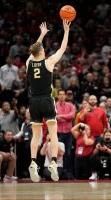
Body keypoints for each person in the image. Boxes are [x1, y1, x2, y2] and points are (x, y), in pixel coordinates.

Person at [26, 20, 71, 182]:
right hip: (46, 100)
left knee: (35, 136)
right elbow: (62, 49)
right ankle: (53, 163)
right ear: (42, 51)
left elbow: (34, 50)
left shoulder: (28, 63)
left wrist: (42, 35)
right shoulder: (48, 62)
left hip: (33, 101)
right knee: (53, 134)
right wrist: (66, 31)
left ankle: (32, 163)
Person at [56, 89, 76, 179]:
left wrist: (60, 116)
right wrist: (65, 117)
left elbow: (72, 116)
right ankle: (59, 172)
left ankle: (68, 172)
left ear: (65, 96)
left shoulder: (71, 105)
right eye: (60, 94)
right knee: (59, 153)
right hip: (58, 132)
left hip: (68, 132)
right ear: (57, 96)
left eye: (63, 94)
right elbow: (54, 117)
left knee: (68, 153)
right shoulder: (54, 106)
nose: (62, 96)